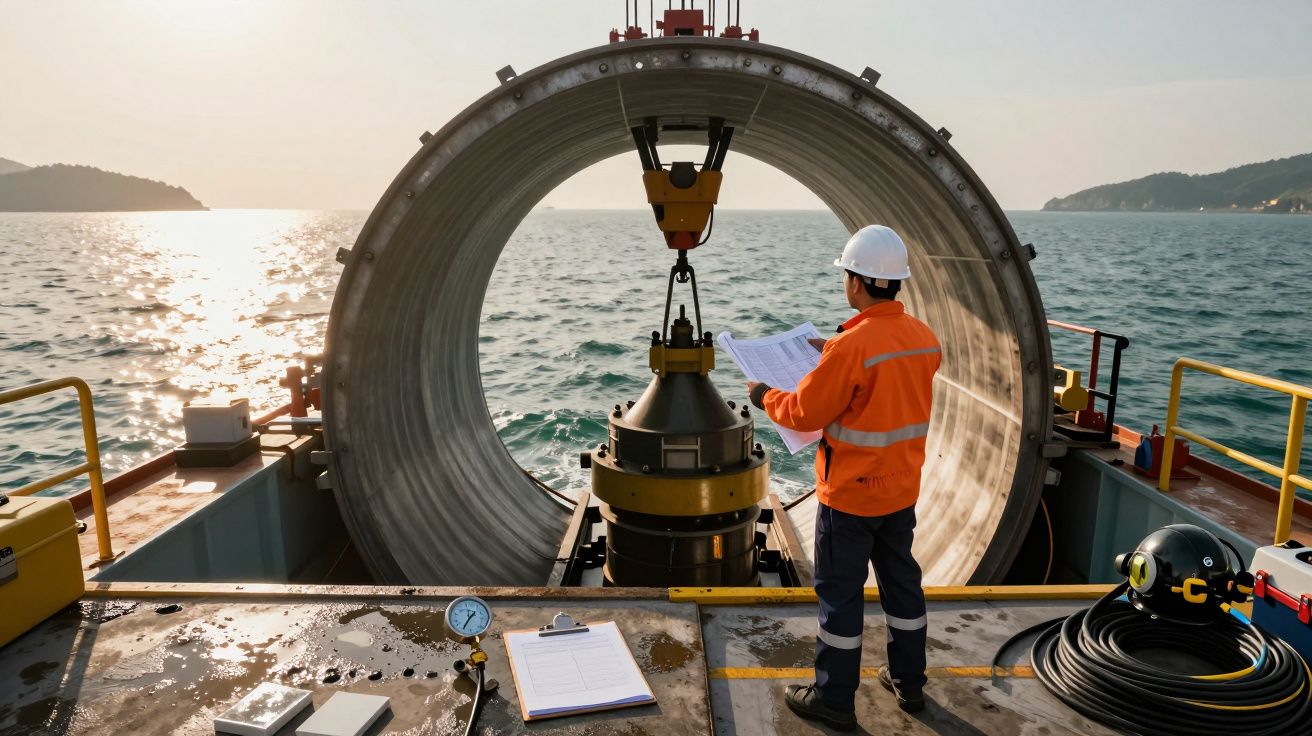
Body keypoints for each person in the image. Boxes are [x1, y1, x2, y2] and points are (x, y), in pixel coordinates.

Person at [747, 224, 941, 731]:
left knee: (840, 598)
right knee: (902, 587)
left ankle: (833, 698)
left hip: (851, 499)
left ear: (856, 282)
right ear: (894, 282)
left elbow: (804, 413)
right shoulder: (923, 339)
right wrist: (835, 346)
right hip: (900, 492)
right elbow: (883, 380)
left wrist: (763, 395)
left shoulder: (851, 348)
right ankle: (910, 681)